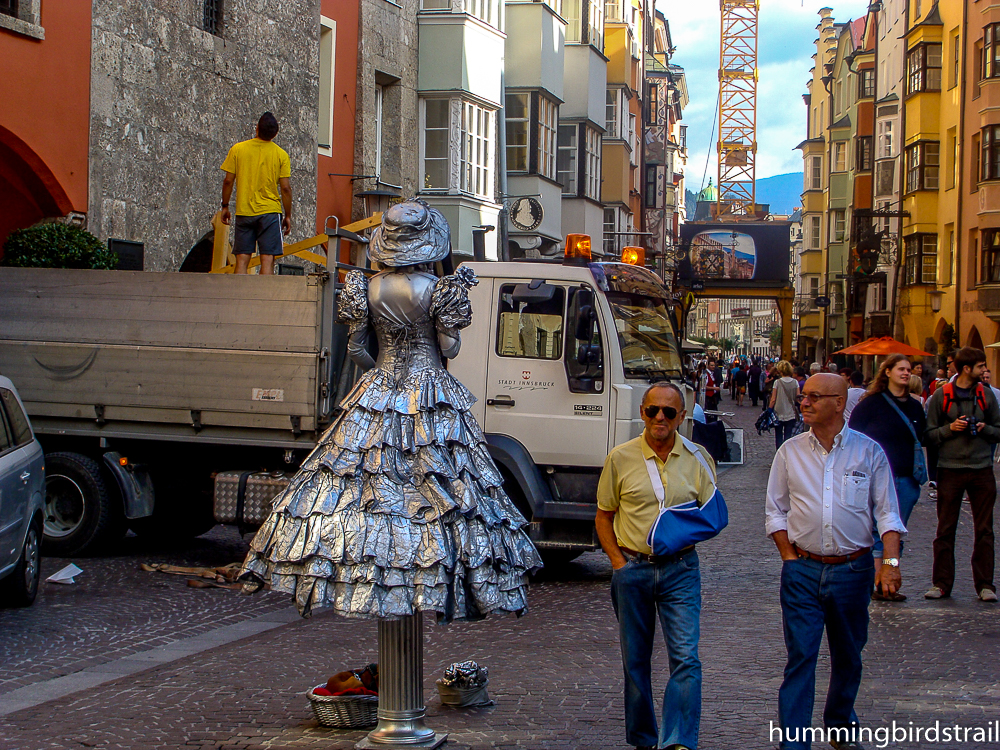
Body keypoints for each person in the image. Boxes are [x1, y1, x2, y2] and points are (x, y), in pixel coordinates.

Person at [240, 200, 543, 619]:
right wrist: (451, 314)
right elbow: (450, 348)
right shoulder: (438, 290)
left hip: (376, 391)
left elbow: (357, 350)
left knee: (354, 488)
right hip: (430, 393)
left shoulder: (364, 288)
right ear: (427, 244)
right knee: (445, 491)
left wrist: (382, 376)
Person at [765, 373, 905, 750]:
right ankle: (794, 742)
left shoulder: (868, 452)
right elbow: (775, 512)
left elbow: (888, 515)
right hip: (802, 570)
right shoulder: (789, 452)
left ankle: (840, 723)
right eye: (803, 396)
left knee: (848, 656)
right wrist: (789, 558)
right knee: (801, 658)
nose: (804, 403)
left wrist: (890, 565)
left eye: (814, 397)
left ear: (839, 403)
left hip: (853, 571)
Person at [596, 381, 714, 750]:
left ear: (681, 416)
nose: (659, 418)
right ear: (643, 413)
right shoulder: (620, 458)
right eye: (652, 411)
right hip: (632, 569)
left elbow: (711, 513)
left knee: (686, 657)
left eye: (668, 411)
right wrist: (618, 563)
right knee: (635, 662)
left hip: (681, 569)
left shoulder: (698, 458)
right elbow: (603, 516)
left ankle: (678, 741)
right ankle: (644, 739)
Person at [924, 346, 1000, 602]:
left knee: (985, 529)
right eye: (980, 366)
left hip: (981, 470)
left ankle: (985, 585)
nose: (984, 370)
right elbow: (929, 436)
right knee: (945, 529)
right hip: (950, 469)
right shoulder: (940, 396)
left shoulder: (986, 395)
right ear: (967, 369)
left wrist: (984, 428)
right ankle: (941, 584)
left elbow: (999, 430)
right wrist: (951, 429)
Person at [848, 355, 926, 602]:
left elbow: (923, 437)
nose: (906, 373)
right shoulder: (870, 405)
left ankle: (888, 576)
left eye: (909, 370)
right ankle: (876, 581)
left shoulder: (915, 406)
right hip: (875, 478)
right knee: (874, 531)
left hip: (905, 479)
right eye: (901, 369)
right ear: (888, 372)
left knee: (895, 532)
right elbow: (853, 437)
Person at [220, 112, 293, 275]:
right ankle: (263, 299)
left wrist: (225, 206)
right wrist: (287, 215)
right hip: (270, 213)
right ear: (275, 134)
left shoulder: (238, 149)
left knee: (242, 259)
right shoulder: (281, 155)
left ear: (257, 128)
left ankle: (239, 297)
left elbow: (228, 181)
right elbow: (286, 188)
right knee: (267, 259)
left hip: (244, 211)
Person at [770, 360, 799, 449]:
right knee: (788, 435)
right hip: (790, 412)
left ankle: (779, 452)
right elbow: (798, 397)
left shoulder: (777, 382)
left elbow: (773, 399)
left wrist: (769, 409)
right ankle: (787, 452)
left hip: (778, 412)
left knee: (778, 435)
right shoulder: (795, 382)